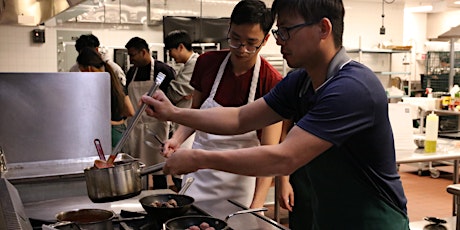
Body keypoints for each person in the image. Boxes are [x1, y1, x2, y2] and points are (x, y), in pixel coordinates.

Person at [141, 0, 410, 228]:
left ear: (323, 28)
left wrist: (199, 158)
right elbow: (240, 118)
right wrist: (173, 113)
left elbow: (284, 157)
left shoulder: (352, 88)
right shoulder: (301, 81)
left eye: (287, 31)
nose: (280, 40)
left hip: (373, 219)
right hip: (327, 214)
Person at [158, 0, 283, 210]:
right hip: (198, 174)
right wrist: (177, 139)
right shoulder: (207, 63)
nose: (241, 49)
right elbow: (195, 114)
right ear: (229, 29)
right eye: (235, 39)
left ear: (265, 39)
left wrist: (256, 205)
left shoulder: (270, 81)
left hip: (239, 184)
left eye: (251, 43)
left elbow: (269, 153)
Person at [124, 36, 176, 189]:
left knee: (158, 166)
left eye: (132, 55)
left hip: (156, 125)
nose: (130, 59)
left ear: (144, 52)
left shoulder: (163, 70)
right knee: (137, 166)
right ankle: (139, 195)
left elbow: (172, 99)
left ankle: (160, 194)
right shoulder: (131, 72)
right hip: (136, 126)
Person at [164, 30, 200, 190]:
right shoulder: (187, 66)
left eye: (171, 51)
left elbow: (173, 93)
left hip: (188, 124)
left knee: (183, 168)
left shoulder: (194, 64)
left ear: (180, 47)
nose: (171, 55)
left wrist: (179, 93)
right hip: (183, 123)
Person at [76, 47, 135, 147]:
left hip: (104, 133)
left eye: (81, 70)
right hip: (119, 132)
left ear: (89, 69)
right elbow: (130, 111)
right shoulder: (115, 81)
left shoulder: (93, 86)